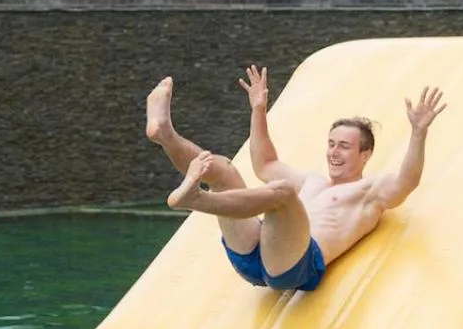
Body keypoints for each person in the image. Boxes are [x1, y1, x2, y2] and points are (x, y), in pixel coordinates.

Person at [144, 65, 446, 293]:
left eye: (344, 146)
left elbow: (406, 181)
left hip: (296, 268)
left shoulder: (369, 191)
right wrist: (258, 109)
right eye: (331, 144)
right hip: (253, 253)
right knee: (224, 169)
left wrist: (418, 133)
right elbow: (265, 164)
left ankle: (198, 199)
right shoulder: (312, 182)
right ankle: (166, 135)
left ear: (365, 155)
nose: (334, 152)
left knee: (283, 194)